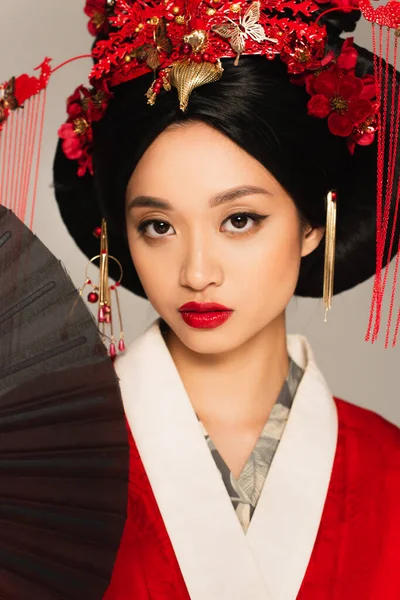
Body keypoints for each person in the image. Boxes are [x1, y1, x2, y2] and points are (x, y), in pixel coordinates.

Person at [45, 0, 400, 597]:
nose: (197, 272)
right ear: (122, 235)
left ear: (313, 222)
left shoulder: (389, 471)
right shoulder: (40, 461)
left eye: (239, 219)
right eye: (159, 226)